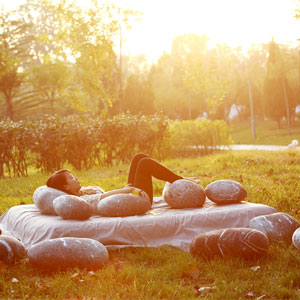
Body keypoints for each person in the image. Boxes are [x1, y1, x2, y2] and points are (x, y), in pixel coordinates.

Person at [47, 153, 196, 205]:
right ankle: (181, 181)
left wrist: (126, 188)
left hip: (128, 195)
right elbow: (105, 196)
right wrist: (130, 189)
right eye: (71, 178)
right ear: (66, 187)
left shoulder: (82, 192)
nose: (76, 178)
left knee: (139, 157)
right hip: (139, 199)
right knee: (144, 164)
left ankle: (178, 180)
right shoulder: (82, 202)